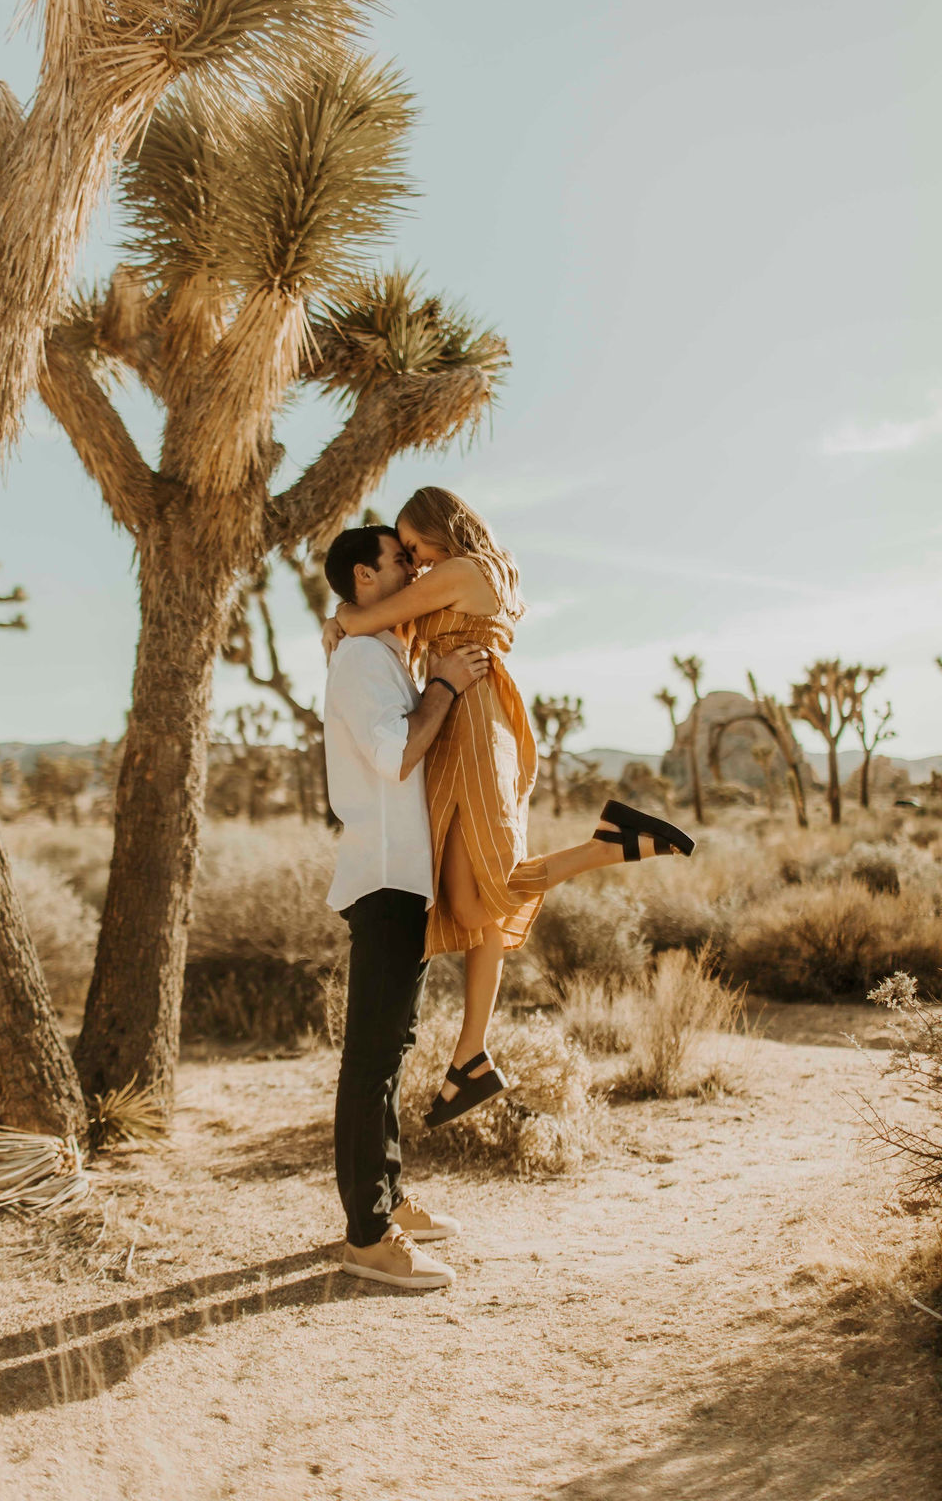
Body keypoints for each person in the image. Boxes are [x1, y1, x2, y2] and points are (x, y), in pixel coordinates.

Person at [325, 486, 695, 1130]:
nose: (413, 563)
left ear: (441, 529)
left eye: (414, 547)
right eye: (404, 555)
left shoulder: (463, 572)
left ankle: (608, 844)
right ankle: (472, 1055)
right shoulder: (463, 574)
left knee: (485, 888)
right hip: (463, 721)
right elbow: (383, 623)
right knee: (470, 903)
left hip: (468, 719)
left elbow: (359, 622)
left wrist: (339, 617)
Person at [323, 522, 490, 1291]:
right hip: (385, 878)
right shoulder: (361, 659)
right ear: (365, 577)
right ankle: (367, 1235)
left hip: (403, 880)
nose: (416, 569)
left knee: (389, 1051)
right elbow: (396, 755)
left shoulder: (382, 652)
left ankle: (385, 1200)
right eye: (401, 560)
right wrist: (447, 688)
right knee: (371, 1059)